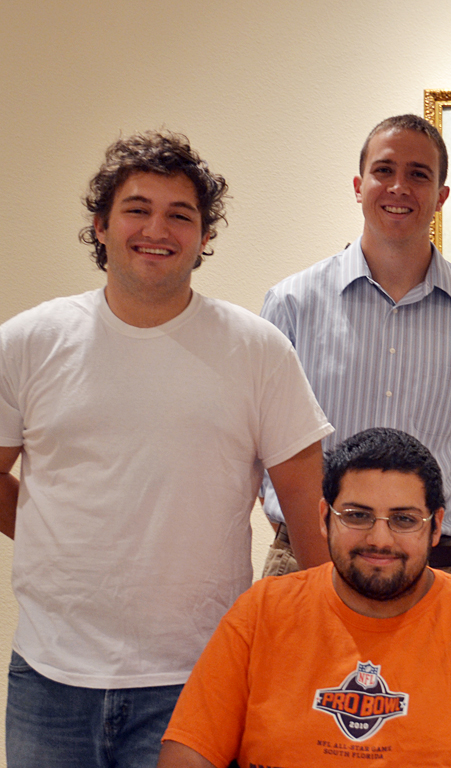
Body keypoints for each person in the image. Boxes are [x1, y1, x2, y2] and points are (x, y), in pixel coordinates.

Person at [0, 130, 333, 767]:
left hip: (199, 673)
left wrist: (332, 641)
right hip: (50, 676)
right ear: (100, 226)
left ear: (204, 236)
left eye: (180, 215)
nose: (157, 229)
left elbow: (307, 509)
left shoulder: (258, 351)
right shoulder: (28, 343)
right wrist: (56, 536)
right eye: (137, 209)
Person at [158, 428, 451, 768]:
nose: (380, 539)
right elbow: (187, 754)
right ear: (324, 518)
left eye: (404, 519)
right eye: (358, 516)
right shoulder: (262, 610)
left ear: (436, 526)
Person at [259, 114, 451, 576]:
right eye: (384, 170)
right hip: (307, 559)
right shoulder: (292, 303)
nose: (399, 187)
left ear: (440, 197)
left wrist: (413, 531)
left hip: (430, 566)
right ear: (359, 186)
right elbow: (264, 444)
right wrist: (319, 535)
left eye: (418, 174)